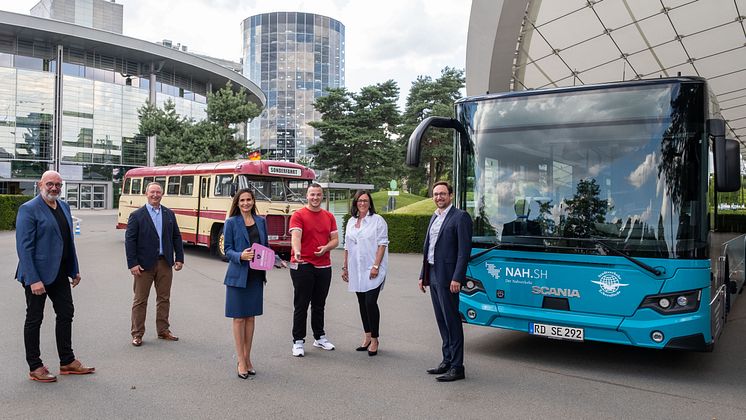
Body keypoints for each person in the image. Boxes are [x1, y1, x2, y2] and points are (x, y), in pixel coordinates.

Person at [15, 170, 95, 382]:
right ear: (41, 184)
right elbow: (24, 248)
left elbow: (68, 242)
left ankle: (67, 361)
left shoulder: (64, 207)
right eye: (50, 184)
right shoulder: (28, 209)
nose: (54, 188)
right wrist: (33, 279)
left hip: (59, 273)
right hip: (36, 275)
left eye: (58, 185)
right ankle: (35, 366)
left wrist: (74, 269)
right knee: (35, 318)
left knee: (66, 313)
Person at [418, 181, 473, 382]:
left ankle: (458, 366)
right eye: (435, 194)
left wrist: (457, 277)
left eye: (442, 193)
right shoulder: (435, 216)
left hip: (449, 277)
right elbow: (429, 248)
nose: (439, 197)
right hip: (432, 274)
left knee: (452, 320)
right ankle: (447, 360)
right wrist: (422, 275)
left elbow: (463, 251)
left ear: (450, 195)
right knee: (441, 320)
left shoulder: (460, 217)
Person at [223, 189, 276, 378]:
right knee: (238, 319)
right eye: (242, 200)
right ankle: (241, 361)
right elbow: (227, 249)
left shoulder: (261, 222)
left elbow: (265, 248)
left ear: (253, 201)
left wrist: (275, 260)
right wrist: (241, 256)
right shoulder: (230, 223)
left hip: (255, 277)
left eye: (249, 200)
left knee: (250, 319)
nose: (246, 203)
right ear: (237, 203)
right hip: (238, 276)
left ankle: (248, 357)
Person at [125, 182, 184, 347]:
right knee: (140, 300)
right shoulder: (137, 215)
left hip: (165, 262)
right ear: (146, 194)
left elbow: (176, 237)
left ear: (162, 194)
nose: (155, 195)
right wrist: (133, 263)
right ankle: (137, 334)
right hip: (143, 266)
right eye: (152, 192)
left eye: (158, 192)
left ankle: (163, 330)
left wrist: (179, 258)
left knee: (164, 298)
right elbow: (130, 241)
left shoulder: (169, 214)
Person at [289, 183, 339, 357]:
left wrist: (326, 248)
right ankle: (298, 341)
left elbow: (335, 240)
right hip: (303, 264)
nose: (315, 198)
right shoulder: (298, 215)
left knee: (319, 304)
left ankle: (319, 337)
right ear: (307, 196)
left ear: (322, 196)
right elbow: (296, 236)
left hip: (324, 265)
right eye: (312, 195)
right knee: (301, 304)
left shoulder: (329, 216)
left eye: (318, 195)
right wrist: (297, 251)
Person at [342, 190, 388, 356]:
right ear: (355, 203)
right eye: (359, 201)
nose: (362, 203)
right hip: (356, 268)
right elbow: (347, 246)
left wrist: (376, 266)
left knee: (370, 302)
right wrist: (345, 267)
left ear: (370, 203)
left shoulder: (377, 220)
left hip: (373, 267)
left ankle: (375, 338)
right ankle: (367, 336)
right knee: (362, 303)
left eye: (365, 201)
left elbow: (382, 244)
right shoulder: (351, 222)